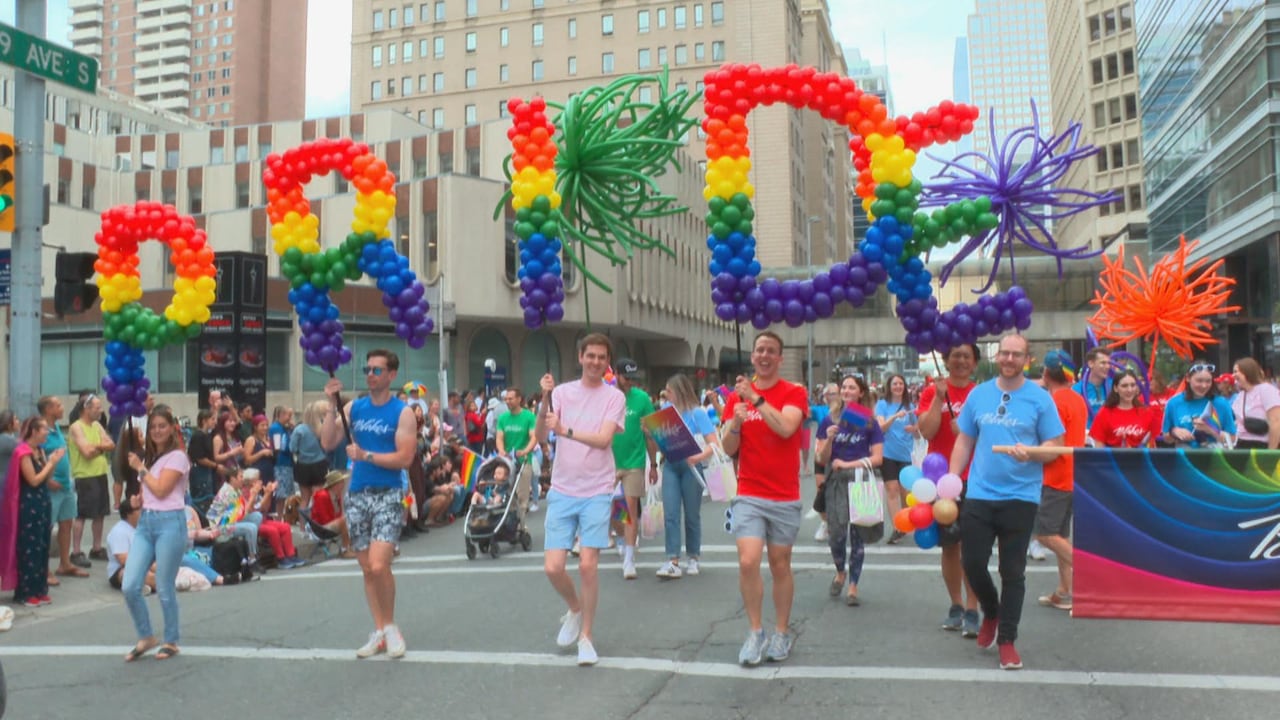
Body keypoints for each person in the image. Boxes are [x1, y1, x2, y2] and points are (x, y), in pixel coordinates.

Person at [949, 334, 1065, 671]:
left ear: (1026, 359)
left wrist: (1033, 452)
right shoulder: (979, 394)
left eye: (1017, 354)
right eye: (1004, 353)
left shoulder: (1039, 399)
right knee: (971, 563)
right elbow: (964, 441)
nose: (1009, 359)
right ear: (996, 356)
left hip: (1021, 496)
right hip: (981, 493)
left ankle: (1007, 640)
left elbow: (1055, 444)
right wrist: (954, 479)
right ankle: (992, 610)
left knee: (1012, 571)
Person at [536, 333, 626, 666]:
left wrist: (566, 430)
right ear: (580, 357)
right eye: (591, 356)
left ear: (607, 362)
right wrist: (544, 399)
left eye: (602, 357)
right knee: (553, 567)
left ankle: (586, 637)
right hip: (562, 488)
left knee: (588, 565)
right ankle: (575, 609)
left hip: (598, 489)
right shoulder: (561, 392)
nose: (596, 362)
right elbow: (540, 434)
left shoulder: (614, 397)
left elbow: (603, 441)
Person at [719, 331, 808, 667]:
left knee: (780, 564)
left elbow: (786, 428)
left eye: (771, 351)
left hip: (784, 495)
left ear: (780, 358)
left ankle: (781, 632)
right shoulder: (735, 399)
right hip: (749, 493)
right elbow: (728, 449)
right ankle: (755, 632)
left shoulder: (794, 392)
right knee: (747, 561)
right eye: (760, 350)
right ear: (752, 356)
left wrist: (755, 399)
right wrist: (737, 424)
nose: (764, 355)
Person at [321, 349, 417, 659]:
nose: (370, 374)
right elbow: (328, 441)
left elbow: (405, 458)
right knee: (366, 568)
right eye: (367, 369)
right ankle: (378, 630)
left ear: (391, 375)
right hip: (358, 493)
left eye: (377, 370)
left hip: (388, 492)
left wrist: (367, 456)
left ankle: (390, 627)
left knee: (379, 564)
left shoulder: (401, 412)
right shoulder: (355, 408)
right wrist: (330, 407)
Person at [917, 344, 981, 636]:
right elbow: (926, 431)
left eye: (967, 356)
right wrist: (938, 400)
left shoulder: (982, 394)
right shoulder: (932, 392)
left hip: (975, 478)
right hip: (941, 480)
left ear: (975, 363)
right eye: (955, 355)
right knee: (950, 546)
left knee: (973, 548)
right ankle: (956, 604)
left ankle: (972, 607)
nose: (961, 361)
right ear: (945, 360)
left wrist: (967, 431)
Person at [122, 406, 192, 662]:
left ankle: (171, 640)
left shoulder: (179, 457)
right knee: (130, 585)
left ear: (172, 427)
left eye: (162, 426)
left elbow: (163, 489)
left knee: (163, 585)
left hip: (170, 523)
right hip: (146, 523)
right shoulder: (151, 459)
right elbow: (152, 491)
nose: (157, 431)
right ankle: (146, 635)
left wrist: (140, 469)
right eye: (153, 427)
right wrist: (139, 498)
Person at [816, 374, 884, 606]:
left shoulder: (868, 421)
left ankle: (853, 585)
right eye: (843, 387)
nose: (846, 391)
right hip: (836, 481)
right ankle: (840, 570)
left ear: (860, 393)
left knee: (858, 535)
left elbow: (877, 458)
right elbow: (821, 458)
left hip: (861, 479)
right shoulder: (829, 420)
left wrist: (849, 464)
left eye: (851, 387)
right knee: (837, 534)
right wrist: (828, 440)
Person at [1034, 350, 1088, 612]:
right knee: (1059, 535)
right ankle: (1064, 590)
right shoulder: (1077, 399)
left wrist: (1028, 453)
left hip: (1056, 476)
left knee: (1044, 533)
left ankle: (1089, 573)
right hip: (1073, 474)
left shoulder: (1053, 402)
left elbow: (1054, 445)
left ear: (1045, 373)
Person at [655, 373, 719, 579]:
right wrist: (652, 433)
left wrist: (699, 456)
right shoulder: (665, 411)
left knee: (692, 514)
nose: (666, 394)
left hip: (693, 466)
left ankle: (693, 556)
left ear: (679, 392)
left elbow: (714, 443)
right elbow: (662, 441)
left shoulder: (697, 413)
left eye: (669, 390)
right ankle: (673, 559)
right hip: (671, 465)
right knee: (671, 514)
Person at [1, 417, 65, 606]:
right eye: (44, 429)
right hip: (29, 505)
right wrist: (50, 462)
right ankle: (25, 592)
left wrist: (52, 463)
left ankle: (39, 588)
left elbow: (46, 477)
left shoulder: (40, 450)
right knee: (29, 547)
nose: (47, 432)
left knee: (42, 545)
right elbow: (34, 480)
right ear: (34, 431)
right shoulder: (23, 452)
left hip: (42, 502)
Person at [610, 359, 657, 580]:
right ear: (616, 375)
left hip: (634, 462)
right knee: (613, 510)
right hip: (608, 463)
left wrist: (654, 463)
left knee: (629, 509)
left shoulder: (642, 399)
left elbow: (651, 433)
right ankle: (620, 538)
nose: (629, 382)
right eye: (626, 377)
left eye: (632, 378)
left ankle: (629, 558)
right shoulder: (605, 396)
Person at [36, 397, 85, 582]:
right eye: (58, 406)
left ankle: (64, 563)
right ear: (48, 409)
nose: (62, 408)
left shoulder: (56, 426)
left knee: (66, 523)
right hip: (52, 487)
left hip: (66, 486)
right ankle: (44, 569)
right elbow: (35, 455)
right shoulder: (40, 429)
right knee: (47, 527)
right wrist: (47, 479)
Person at [68, 394, 116, 569]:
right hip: (84, 475)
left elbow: (111, 444)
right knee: (81, 515)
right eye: (97, 407)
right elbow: (86, 453)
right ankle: (76, 551)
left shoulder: (96, 425)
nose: (100, 410)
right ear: (86, 409)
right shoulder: (76, 427)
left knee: (100, 513)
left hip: (100, 473)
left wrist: (97, 447)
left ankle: (96, 548)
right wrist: (101, 447)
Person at [876, 374, 916, 544]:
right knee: (891, 490)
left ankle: (906, 523)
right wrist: (894, 417)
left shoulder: (910, 406)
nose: (898, 386)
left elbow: (919, 429)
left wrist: (912, 428)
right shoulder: (882, 405)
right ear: (889, 386)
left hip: (906, 454)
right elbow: (880, 428)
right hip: (888, 454)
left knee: (905, 492)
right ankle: (896, 527)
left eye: (901, 383)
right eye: (895, 384)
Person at [1162, 361, 1236, 448]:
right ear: (1188, 378)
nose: (1204, 386)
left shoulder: (1221, 404)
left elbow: (1232, 439)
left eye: (1208, 381)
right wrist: (1174, 431)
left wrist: (1210, 429)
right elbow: (1166, 438)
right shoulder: (1174, 403)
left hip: (1214, 458)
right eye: (1199, 381)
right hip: (1184, 458)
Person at [496, 387, 538, 527]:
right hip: (507, 461)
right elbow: (499, 438)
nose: (508, 401)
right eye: (506, 399)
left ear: (519, 399)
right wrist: (501, 450)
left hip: (524, 460)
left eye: (511, 398)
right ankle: (510, 523)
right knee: (507, 493)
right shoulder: (502, 418)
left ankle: (521, 525)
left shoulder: (529, 416)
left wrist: (525, 451)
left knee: (522, 496)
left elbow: (533, 437)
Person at [1088, 370, 1160, 448]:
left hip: (1140, 459)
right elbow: (1098, 447)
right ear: (1115, 388)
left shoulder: (1146, 413)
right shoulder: (1105, 413)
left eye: (1133, 385)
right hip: (1112, 459)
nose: (1129, 390)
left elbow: (1154, 444)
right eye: (1124, 386)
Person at [810, 383, 840, 543]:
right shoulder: (820, 410)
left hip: (841, 457)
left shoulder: (850, 412)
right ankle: (826, 522)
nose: (833, 397)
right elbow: (805, 414)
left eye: (835, 394)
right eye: (829, 394)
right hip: (821, 454)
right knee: (821, 493)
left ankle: (845, 524)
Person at [1231, 357, 1280, 450]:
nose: (1233, 375)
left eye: (1236, 371)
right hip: (1241, 443)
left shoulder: (1266, 390)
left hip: (1261, 444)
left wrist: (1271, 452)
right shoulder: (1241, 395)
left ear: (1247, 371)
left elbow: (1276, 421)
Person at [106, 500, 154, 592]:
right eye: (139, 509)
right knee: (137, 574)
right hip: (122, 569)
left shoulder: (143, 527)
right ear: (129, 514)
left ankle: (146, 585)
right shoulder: (119, 531)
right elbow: (123, 559)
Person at [291, 400, 330, 509]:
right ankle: (316, 524)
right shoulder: (321, 428)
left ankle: (303, 526)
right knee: (318, 498)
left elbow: (292, 448)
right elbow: (327, 446)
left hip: (303, 465)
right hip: (319, 464)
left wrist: (300, 452)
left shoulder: (299, 430)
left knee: (304, 499)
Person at [312, 471, 357, 558]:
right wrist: (341, 522)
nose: (343, 484)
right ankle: (345, 549)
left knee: (349, 518)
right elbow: (324, 518)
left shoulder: (337, 495)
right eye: (341, 482)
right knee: (343, 521)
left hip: (331, 523)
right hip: (320, 527)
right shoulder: (322, 496)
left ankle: (350, 546)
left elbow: (338, 514)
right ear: (335, 484)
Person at [1073, 347, 1112, 429]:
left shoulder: (1114, 386)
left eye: (1109, 363)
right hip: (1087, 437)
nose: (1107, 366)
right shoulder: (1077, 390)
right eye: (1103, 363)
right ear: (1091, 363)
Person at [269, 406, 296, 500]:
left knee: (288, 493)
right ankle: (280, 514)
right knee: (281, 494)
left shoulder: (285, 428)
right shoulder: (276, 428)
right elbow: (280, 446)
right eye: (288, 415)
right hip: (281, 463)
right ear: (281, 415)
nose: (289, 418)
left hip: (287, 462)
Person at [243, 415, 276, 488]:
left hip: (269, 472)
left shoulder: (268, 439)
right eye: (262, 425)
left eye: (266, 425)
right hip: (257, 474)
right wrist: (261, 453)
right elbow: (247, 459)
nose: (265, 428)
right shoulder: (251, 440)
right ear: (255, 427)